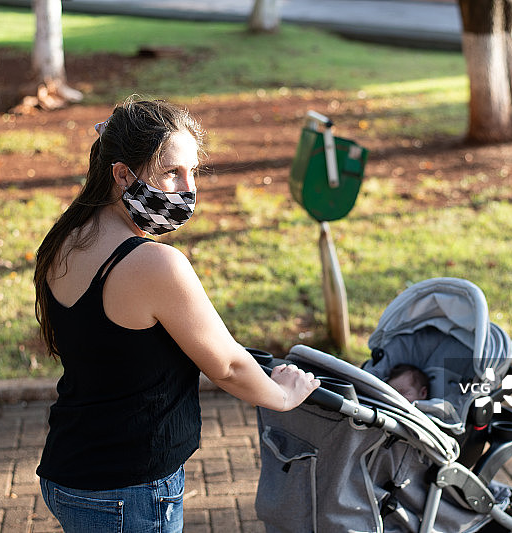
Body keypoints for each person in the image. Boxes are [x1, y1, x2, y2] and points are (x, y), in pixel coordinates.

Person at [33, 96, 320, 533]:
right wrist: (283, 396)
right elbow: (226, 365)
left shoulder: (68, 238)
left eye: (193, 172)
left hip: (70, 469)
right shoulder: (155, 264)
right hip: (129, 488)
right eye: (171, 172)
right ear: (122, 174)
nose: (188, 188)